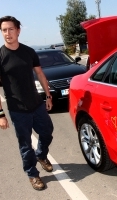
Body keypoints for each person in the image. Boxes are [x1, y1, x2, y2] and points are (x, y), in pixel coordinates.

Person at [0, 16, 54, 191]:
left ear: (18, 31)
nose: (7, 33)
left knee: (47, 132)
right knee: (25, 145)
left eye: (10, 29)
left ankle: (41, 155)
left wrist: (48, 96)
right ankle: (32, 174)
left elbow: (40, 74)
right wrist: (1, 114)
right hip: (18, 109)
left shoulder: (29, 52)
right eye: (4, 30)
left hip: (37, 104)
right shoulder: (0, 57)